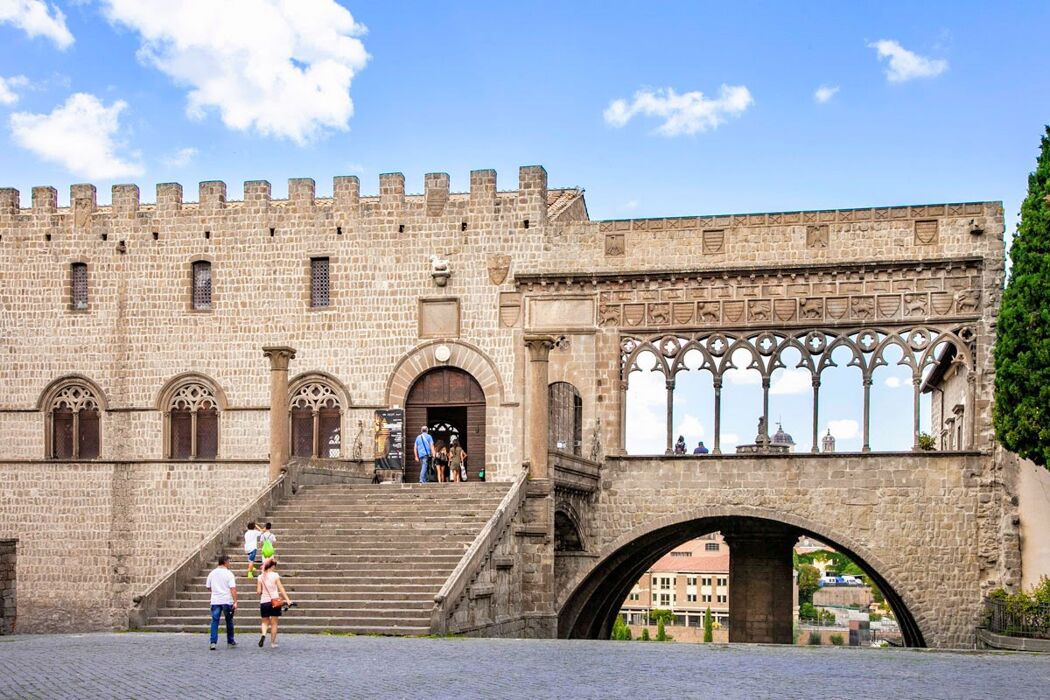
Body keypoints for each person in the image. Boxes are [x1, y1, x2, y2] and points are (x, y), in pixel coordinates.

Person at [205, 553, 237, 650]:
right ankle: (230, 641)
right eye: (229, 561)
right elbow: (233, 588)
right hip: (227, 600)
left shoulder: (212, 573)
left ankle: (213, 642)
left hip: (215, 600)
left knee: (215, 621)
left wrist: (215, 592)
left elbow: (208, 586)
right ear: (225, 562)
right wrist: (235, 601)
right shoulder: (229, 574)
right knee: (229, 621)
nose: (229, 563)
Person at [257, 559, 292, 649]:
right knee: (274, 623)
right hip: (275, 602)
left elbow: (258, 591)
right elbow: (281, 588)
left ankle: (263, 635)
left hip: (264, 602)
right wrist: (287, 599)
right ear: (272, 566)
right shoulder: (275, 575)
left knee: (264, 622)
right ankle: (272, 643)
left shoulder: (260, 577)